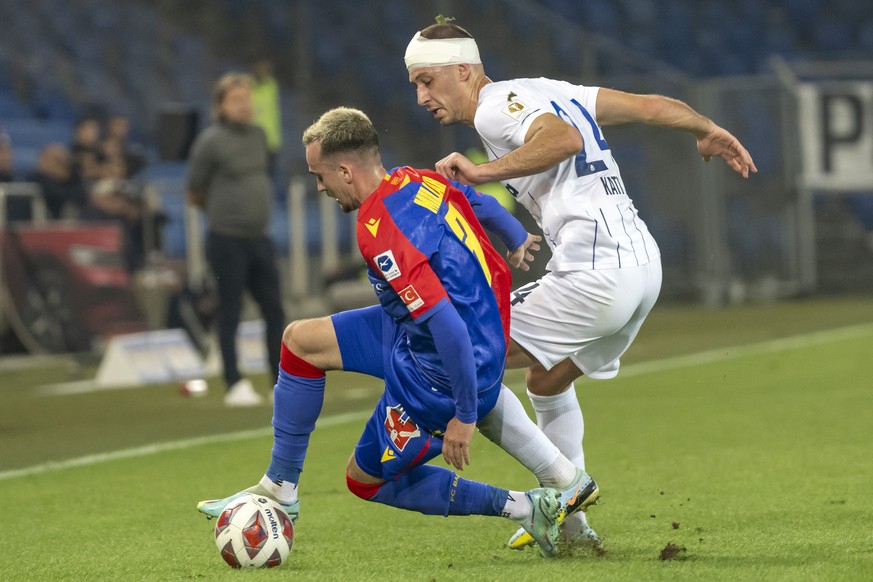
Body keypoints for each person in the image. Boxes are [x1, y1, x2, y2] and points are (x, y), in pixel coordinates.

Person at [404, 17, 758, 550]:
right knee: (547, 382)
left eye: (427, 81)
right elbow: (646, 106)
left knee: (463, 353)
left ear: (464, 69)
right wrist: (703, 127)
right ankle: (572, 530)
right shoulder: (552, 90)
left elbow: (563, 139)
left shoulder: (499, 106)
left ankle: (564, 492)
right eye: (415, 85)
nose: (421, 96)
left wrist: (479, 173)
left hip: (597, 272)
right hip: (642, 269)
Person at [196, 107, 599, 557]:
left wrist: (464, 415)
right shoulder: (415, 179)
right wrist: (514, 235)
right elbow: (474, 199)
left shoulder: (381, 231)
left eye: (320, 175)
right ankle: (280, 488)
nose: (319, 187)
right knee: (299, 342)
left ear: (345, 170)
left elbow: (446, 324)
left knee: (362, 479)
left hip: (437, 376)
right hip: (425, 333)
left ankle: (525, 508)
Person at [186, 73, 285, 407]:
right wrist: (224, 213)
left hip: (259, 237)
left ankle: (279, 382)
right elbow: (194, 189)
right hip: (226, 239)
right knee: (230, 310)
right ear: (221, 106)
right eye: (237, 100)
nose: (245, 106)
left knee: (275, 310)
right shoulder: (210, 141)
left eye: (247, 99)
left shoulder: (260, 136)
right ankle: (234, 382)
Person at [250, 58, 282, 186]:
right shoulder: (248, 86)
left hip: (271, 141)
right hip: (254, 140)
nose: (265, 71)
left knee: (269, 178)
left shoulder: (272, 86)